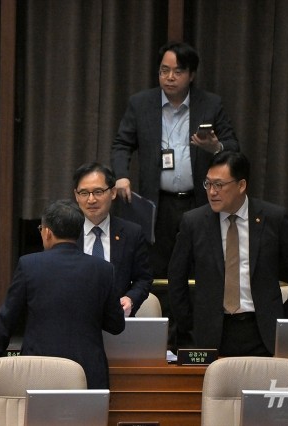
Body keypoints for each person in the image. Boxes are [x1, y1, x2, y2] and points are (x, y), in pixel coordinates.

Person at [0, 199, 125, 389]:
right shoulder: (104, 269)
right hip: (89, 373)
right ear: (79, 232)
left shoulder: (29, 265)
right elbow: (116, 325)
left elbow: (7, 320)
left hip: (39, 372)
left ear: (47, 232)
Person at [110, 41, 239, 280]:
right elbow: (122, 144)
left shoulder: (210, 104)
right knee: (158, 269)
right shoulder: (141, 104)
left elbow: (234, 148)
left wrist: (216, 147)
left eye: (178, 71)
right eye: (164, 70)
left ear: (191, 75)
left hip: (198, 201)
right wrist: (121, 176)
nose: (169, 77)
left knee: (198, 266)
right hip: (157, 203)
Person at [168, 151, 288, 356]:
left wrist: (287, 318)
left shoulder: (273, 218)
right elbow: (176, 276)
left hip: (263, 332)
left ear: (241, 185)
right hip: (210, 333)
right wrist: (189, 323)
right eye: (208, 184)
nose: (212, 192)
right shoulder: (194, 222)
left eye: (219, 185)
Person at [73, 162, 152, 317]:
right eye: (84, 193)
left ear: (113, 192)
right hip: (73, 322)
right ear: (76, 195)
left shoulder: (132, 233)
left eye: (98, 191)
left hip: (117, 322)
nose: (91, 200)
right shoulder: (66, 232)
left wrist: (131, 298)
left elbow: (143, 279)